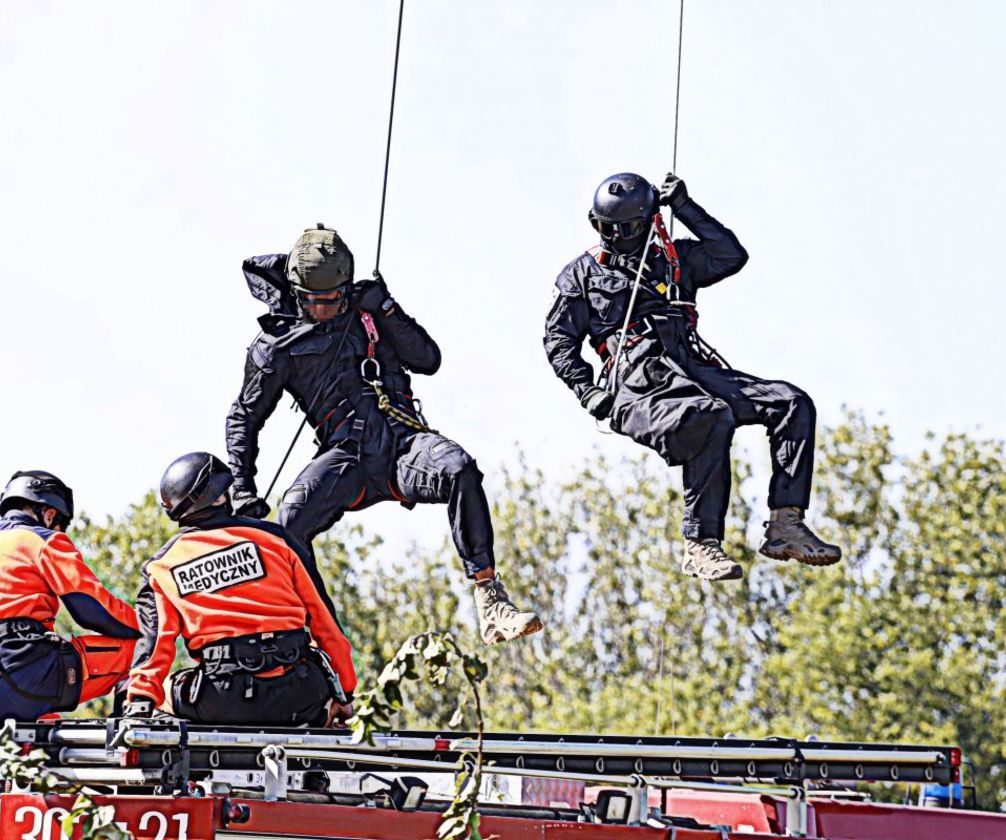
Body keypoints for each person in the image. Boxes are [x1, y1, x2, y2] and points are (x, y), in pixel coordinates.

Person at [225, 224, 542, 645]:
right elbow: (244, 417)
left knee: (460, 468)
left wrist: (389, 310)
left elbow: (428, 360)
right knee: (289, 524)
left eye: (334, 299)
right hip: (346, 458)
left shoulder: (368, 311)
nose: (326, 309)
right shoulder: (275, 345)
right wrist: (242, 488)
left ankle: (491, 600)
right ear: (298, 293)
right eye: (316, 302)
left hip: (403, 446)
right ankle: (321, 639)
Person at [543, 173, 841, 581]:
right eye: (604, 227)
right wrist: (586, 390)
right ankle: (701, 545)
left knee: (790, 403)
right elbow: (558, 339)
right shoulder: (583, 275)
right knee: (708, 416)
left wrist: (685, 207)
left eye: (624, 228)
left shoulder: (673, 258)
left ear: (647, 221)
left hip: (692, 368)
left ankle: (785, 523)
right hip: (637, 385)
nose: (613, 235)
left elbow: (729, 256)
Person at [124, 452, 355, 726]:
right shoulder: (277, 540)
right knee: (322, 702)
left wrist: (139, 701)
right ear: (221, 496)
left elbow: (154, 645)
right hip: (297, 694)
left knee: (163, 694)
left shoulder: (163, 565)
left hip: (220, 699)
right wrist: (345, 693)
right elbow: (323, 622)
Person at [0, 470, 139, 729]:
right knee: (138, 651)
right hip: (20, 674)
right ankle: (131, 734)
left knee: (43, 712)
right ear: (49, 515)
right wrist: (147, 627)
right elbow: (91, 608)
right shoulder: (43, 539)